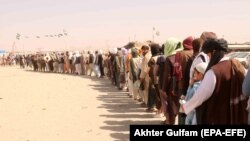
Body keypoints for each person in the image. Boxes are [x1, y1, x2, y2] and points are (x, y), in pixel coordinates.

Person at [183, 38, 248, 124]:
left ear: (214, 52)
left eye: (209, 56)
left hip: (219, 118)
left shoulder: (213, 72)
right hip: (236, 116)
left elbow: (199, 97)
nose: (209, 59)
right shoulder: (238, 65)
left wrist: (185, 107)